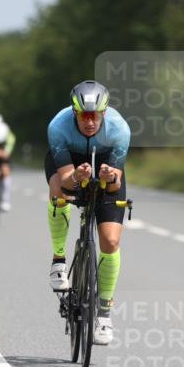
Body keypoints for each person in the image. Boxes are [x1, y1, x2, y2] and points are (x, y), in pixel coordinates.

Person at [46, 80, 131, 345]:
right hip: (70, 165)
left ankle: (104, 314)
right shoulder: (58, 127)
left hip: (105, 166)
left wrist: (108, 176)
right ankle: (59, 261)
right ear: (74, 112)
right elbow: (66, 181)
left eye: (95, 116)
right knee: (57, 190)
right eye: (84, 115)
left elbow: (115, 183)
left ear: (104, 113)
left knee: (110, 241)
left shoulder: (119, 130)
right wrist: (77, 176)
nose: (90, 122)